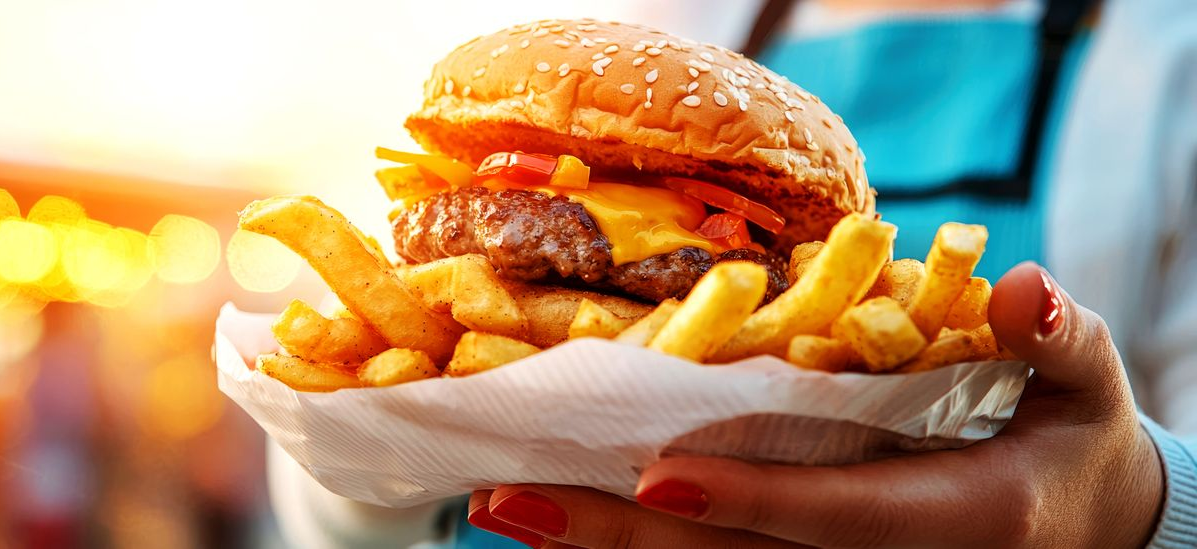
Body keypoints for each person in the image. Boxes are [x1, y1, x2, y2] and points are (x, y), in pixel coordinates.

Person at [271, 0, 1197, 546]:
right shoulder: (665, 12)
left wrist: (1135, 503)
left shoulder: (1167, 61)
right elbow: (336, 509)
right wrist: (385, 460)